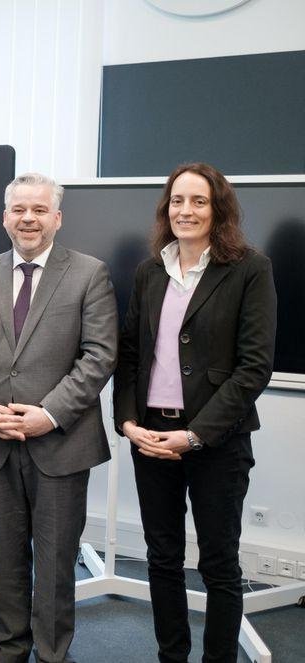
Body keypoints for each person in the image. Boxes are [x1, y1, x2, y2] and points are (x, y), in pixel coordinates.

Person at [113, 162, 276, 663]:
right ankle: (172, 656)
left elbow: (254, 369)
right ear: (167, 208)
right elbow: (130, 355)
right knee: (161, 560)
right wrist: (127, 422)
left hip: (216, 441)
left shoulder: (249, 268)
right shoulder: (148, 271)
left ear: (217, 209)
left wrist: (196, 435)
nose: (186, 210)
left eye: (199, 201)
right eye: (177, 200)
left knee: (219, 564)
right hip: (150, 435)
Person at [0, 172, 118, 662]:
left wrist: (48, 414)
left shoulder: (89, 273)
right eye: (18, 210)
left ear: (57, 218)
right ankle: (8, 651)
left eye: (38, 210)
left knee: (53, 564)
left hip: (60, 444)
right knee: (6, 560)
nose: (27, 218)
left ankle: (53, 654)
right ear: (4, 216)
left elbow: (99, 356)